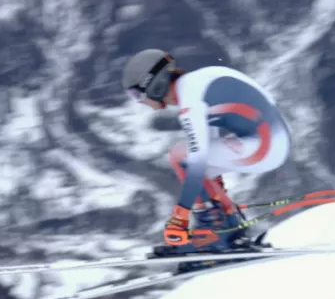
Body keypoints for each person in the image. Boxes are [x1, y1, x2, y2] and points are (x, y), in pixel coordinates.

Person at [121, 48, 292, 255]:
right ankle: (226, 226)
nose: (140, 101)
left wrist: (181, 215)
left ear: (154, 86)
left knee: (180, 156)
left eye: (138, 94)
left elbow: (197, 162)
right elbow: (207, 152)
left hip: (266, 147)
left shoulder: (191, 103)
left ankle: (216, 232)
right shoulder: (198, 82)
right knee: (193, 159)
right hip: (273, 139)